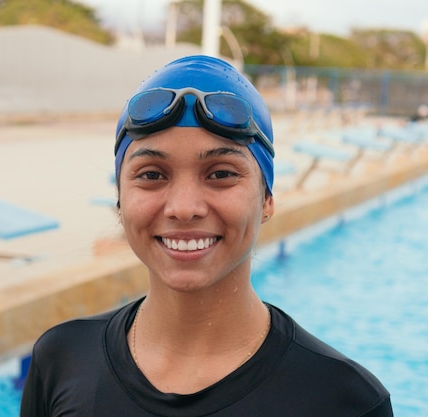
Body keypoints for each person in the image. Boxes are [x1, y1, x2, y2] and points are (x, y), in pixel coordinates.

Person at [20, 55, 393, 416]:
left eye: (220, 174)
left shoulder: (345, 400)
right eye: (152, 174)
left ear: (267, 200)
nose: (184, 207)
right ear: (121, 199)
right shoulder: (61, 358)